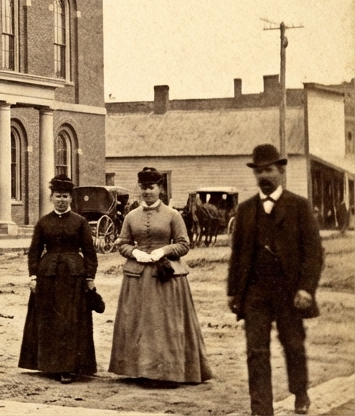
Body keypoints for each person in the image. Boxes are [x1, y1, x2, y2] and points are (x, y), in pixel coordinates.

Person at [228, 144, 325, 416]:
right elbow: (237, 255)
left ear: (281, 171)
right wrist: (234, 291)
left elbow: (313, 253)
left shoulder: (299, 207)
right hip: (256, 291)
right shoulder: (246, 210)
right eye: (258, 171)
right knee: (255, 351)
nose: (263, 176)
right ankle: (261, 409)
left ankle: (300, 391)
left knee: (293, 344)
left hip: (289, 290)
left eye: (269, 169)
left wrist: (307, 288)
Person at [109, 167, 212, 383]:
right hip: (137, 278)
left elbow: (184, 244)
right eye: (143, 187)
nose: (147, 192)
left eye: (151, 187)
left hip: (166, 278)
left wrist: (164, 250)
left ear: (160, 189)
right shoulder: (131, 216)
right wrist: (135, 252)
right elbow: (122, 244)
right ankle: (140, 370)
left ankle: (168, 371)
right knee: (139, 323)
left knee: (165, 324)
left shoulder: (173, 215)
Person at [19, 175, 97, 383]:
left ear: (71, 198)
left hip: (74, 278)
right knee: (49, 320)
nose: (61, 200)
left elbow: (90, 252)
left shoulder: (80, 223)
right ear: (51, 197)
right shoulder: (43, 223)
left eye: (65, 196)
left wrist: (90, 277)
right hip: (48, 278)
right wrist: (33, 276)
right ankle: (50, 364)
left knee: (71, 321)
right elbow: (34, 251)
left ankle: (70, 367)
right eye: (57, 196)